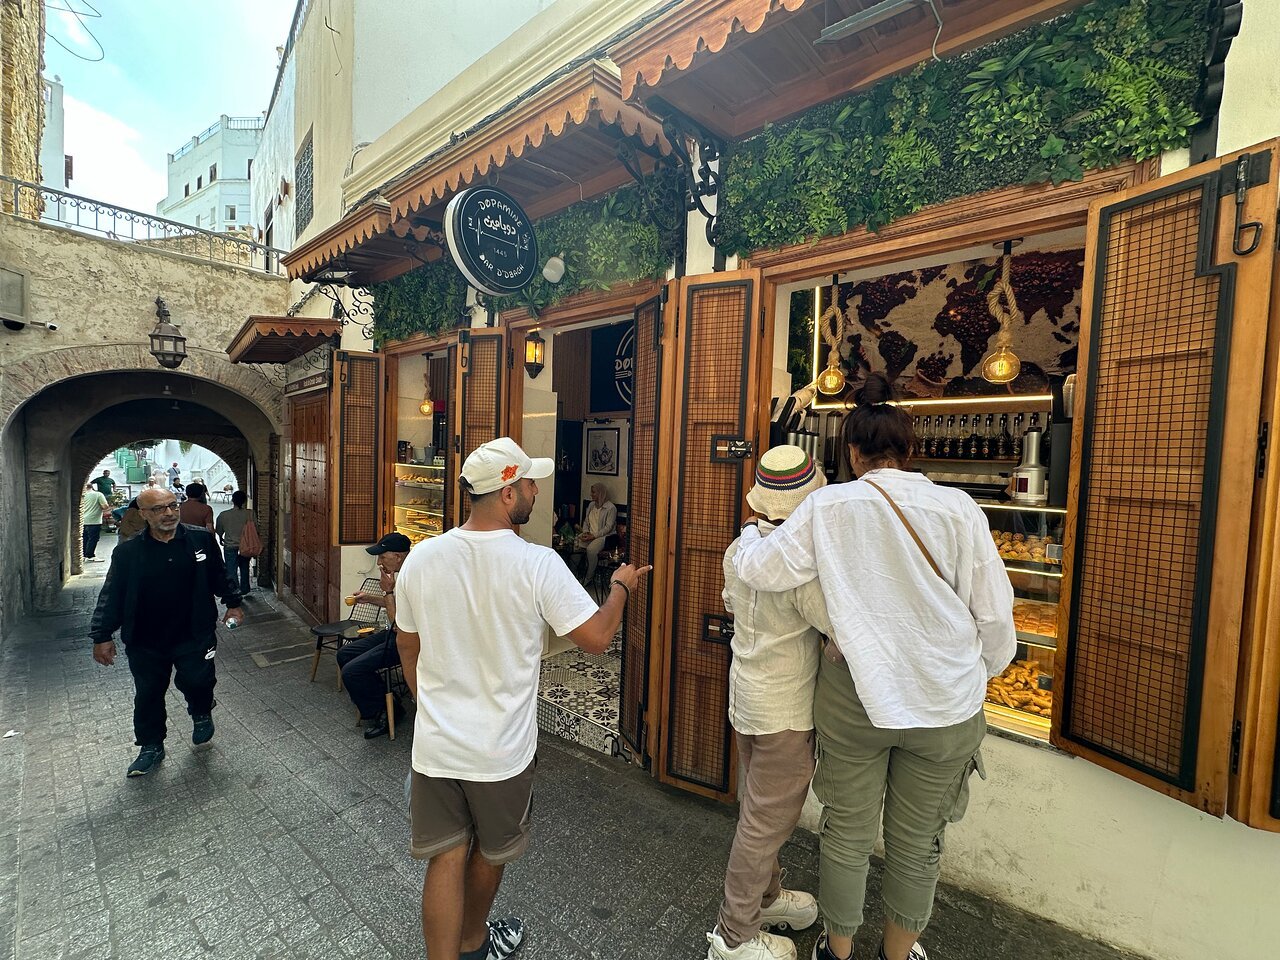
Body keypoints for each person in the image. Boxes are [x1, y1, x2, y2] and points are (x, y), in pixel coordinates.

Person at [730, 374, 1016, 960]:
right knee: (918, 843)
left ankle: (836, 952)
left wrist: (750, 537)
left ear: (852, 454)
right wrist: (974, 674)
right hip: (945, 705)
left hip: (855, 698)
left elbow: (761, 571)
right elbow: (994, 617)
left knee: (847, 834)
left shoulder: (828, 506)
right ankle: (896, 954)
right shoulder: (959, 509)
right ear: (909, 451)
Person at [395, 437, 650, 960]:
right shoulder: (537, 563)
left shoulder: (423, 557)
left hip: (436, 745)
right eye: (530, 483)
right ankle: (473, 941)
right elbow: (597, 637)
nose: (536, 491)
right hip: (500, 751)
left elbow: (406, 643)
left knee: (444, 857)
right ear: (508, 493)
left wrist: (427, 707)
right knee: (492, 852)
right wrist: (620, 588)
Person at [706, 445, 831, 960]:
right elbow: (834, 625)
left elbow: (730, 603)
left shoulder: (740, 549)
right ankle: (734, 936)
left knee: (759, 809)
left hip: (747, 698)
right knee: (764, 822)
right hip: (785, 709)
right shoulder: (801, 565)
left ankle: (768, 898)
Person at [88, 486, 245, 778]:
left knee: (198, 680)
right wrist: (102, 635)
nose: (170, 513)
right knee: (148, 693)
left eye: (173, 505)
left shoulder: (200, 540)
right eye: (159, 509)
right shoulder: (128, 553)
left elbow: (220, 575)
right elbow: (112, 594)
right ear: (144, 514)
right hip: (145, 639)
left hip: (194, 633)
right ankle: (151, 746)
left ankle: (200, 710)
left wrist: (233, 604)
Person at [338, 532, 411, 739]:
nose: (379, 562)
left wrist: (387, 591)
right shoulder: (400, 573)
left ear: (398, 556)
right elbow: (395, 606)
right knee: (344, 654)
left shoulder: (412, 577)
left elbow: (397, 623)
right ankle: (384, 701)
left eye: (382, 557)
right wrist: (369, 598)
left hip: (407, 640)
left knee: (352, 672)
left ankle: (386, 713)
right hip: (393, 633)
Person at [575, 482, 617, 585]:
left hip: (603, 537)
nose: (591, 494)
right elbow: (586, 521)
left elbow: (608, 527)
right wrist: (585, 532)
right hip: (590, 534)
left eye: (593, 492)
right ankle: (574, 574)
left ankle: (589, 577)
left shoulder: (611, 508)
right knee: (575, 544)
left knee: (591, 550)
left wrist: (594, 536)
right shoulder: (591, 505)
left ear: (600, 493)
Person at [214, 490, 255, 595]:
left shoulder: (224, 515)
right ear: (244, 501)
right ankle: (245, 588)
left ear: (232, 500)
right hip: (246, 546)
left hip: (230, 545)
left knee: (231, 569)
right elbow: (255, 529)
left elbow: (219, 530)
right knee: (245, 567)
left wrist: (221, 538)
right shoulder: (250, 514)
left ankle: (234, 591)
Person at [81, 480, 109, 563]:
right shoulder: (98, 494)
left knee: (85, 538)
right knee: (93, 538)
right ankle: (90, 555)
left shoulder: (82, 495)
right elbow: (105, 506)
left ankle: (84, 555)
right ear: (92, 487)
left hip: (83, 520)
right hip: (94, 520)